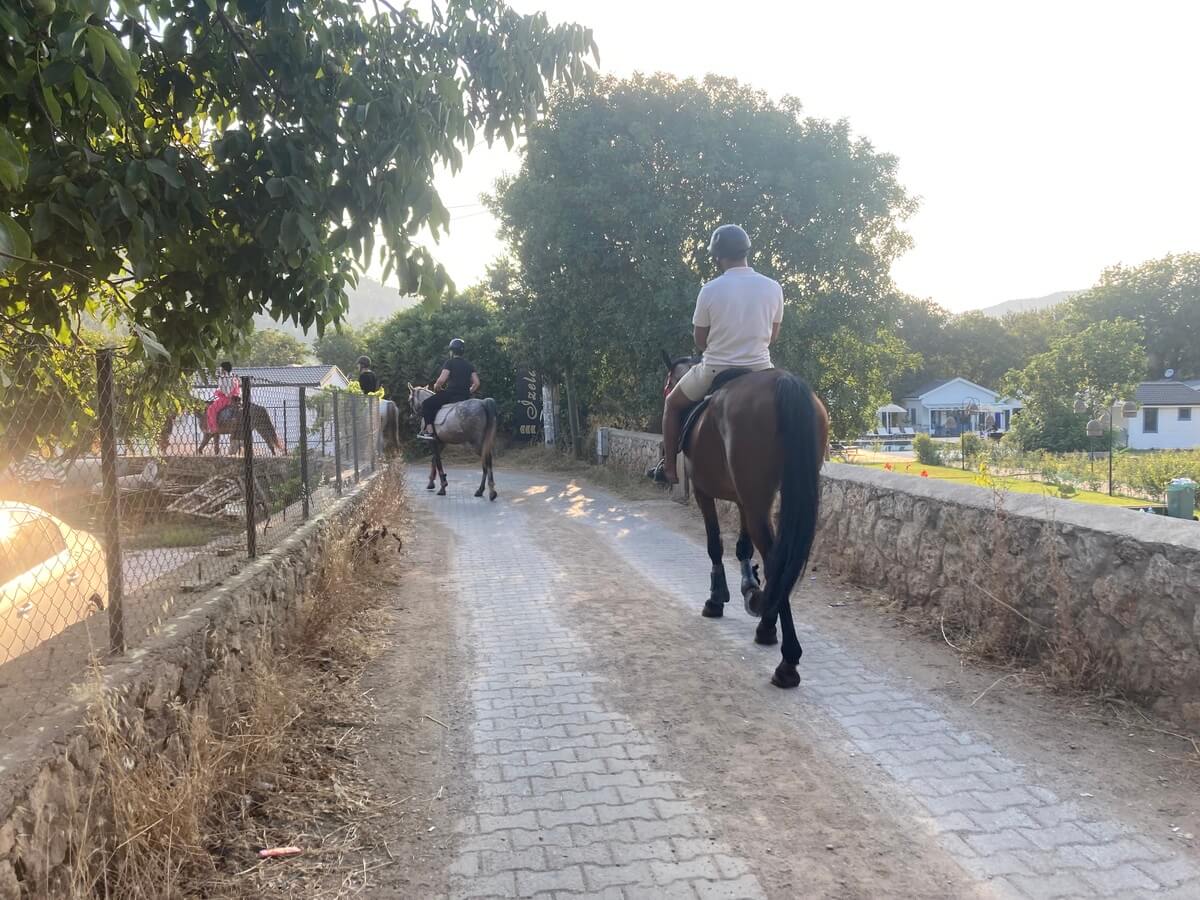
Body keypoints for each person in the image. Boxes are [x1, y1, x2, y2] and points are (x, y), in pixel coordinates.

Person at [660, 224, 783, 484]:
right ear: (746, 251)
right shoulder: (773, 287)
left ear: (718, 257)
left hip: (716, 368)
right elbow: (773, 336)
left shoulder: (710, 290)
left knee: (671, 404)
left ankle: (669, 469)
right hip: (762, 369)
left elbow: (700, 340)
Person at [419, 338, 480, 439]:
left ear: (451, 351)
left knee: (426, 404)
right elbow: (477, 383)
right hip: (464, 396)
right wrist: (468, 391)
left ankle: (430, 432)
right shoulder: (469, 365)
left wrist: (436, 387)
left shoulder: (450, 363)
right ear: (462, 351)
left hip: (451, 394)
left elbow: (441, 381)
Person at [206, 361, 240, 433]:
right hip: (234, 398)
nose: (220, 370)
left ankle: (213, 428)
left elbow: (227, 392)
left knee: (211, 408)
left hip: (227, 399)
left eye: (221, 369)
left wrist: (219, 392)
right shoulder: (233, 376)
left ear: (224, 369)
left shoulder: (225, 378)